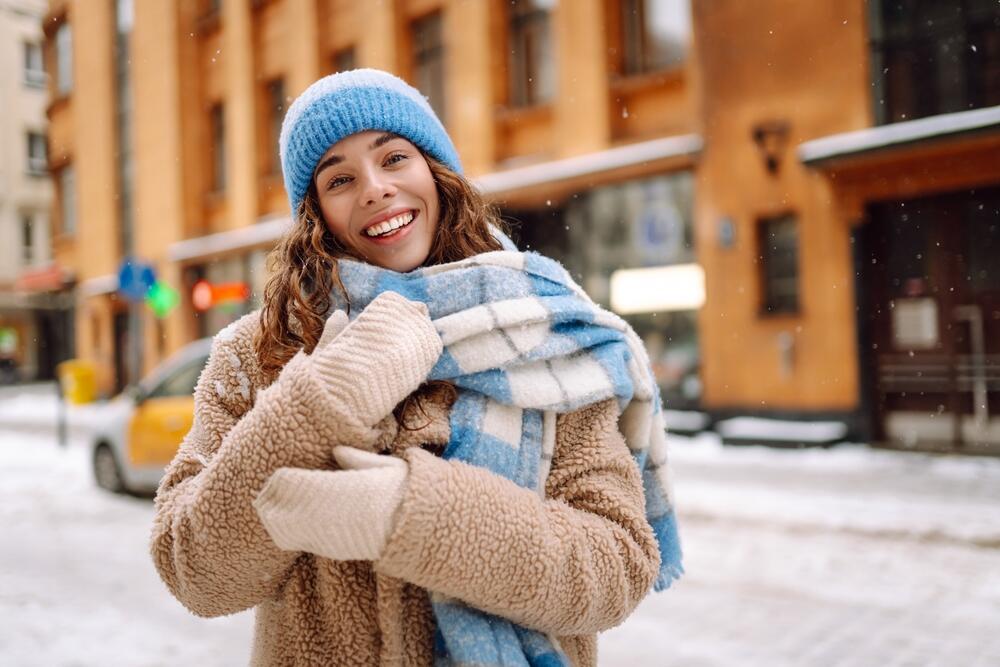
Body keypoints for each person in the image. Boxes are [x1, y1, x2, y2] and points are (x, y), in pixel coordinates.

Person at [150, 69, 682, 667]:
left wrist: (412, 515)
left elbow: (616, 565)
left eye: (394, 158)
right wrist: (322, 399)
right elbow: (193, 573)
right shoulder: (260, 352)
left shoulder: (542, 330)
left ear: (435, 172)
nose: (375, 189)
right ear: (315, 213)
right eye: (340, 179)